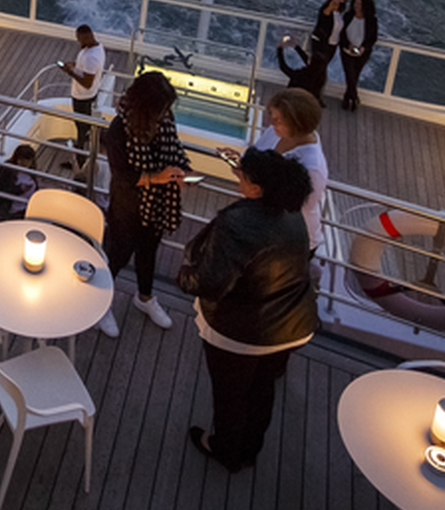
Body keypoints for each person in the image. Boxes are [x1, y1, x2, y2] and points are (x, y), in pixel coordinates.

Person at [177, 147, 318, 471]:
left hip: (243, 331)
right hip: (292, 323)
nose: (238, 176)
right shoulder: (291, 211)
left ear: (256, 189)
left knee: (231, 394)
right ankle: (250, 448)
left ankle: (226, 450)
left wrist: (184, 276)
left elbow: (209, 281)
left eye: (242, 175)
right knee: (262, 388)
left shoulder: (238, 225)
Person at [100, 70, 193, 336]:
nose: (165, 114)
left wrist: (181, 171)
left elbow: (173, 148)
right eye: (161, 108)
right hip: (127, 206)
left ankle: (144, 297)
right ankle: (101, 303)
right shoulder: (119, 131)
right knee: (117, 255)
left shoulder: (164, 118)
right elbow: (123, 176)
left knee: (148, 252)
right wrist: (158, 177)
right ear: (146, 108)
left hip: (157, 204)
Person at [222, 87, 328, 254]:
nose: (271, 123)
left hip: (292, 243)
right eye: (272, 116)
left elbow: (293, 210)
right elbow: (259, 162)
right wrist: (243, 166)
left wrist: (251, 185)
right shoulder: (276, 132)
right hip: (264, 230)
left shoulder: (312, 168)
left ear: (297, 123)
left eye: (278, 120)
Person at [55, 24, 107, 140]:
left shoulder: (91, 58)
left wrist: (69, 72)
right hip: (89, 95)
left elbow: (87, 84)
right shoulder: (97, 47)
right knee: (84, 125)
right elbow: (87, 68)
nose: (79, 43)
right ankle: (84, 145)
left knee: (82, 127)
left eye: (81, 40)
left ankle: (81, 153)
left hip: (83, 97)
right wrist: (75, 64)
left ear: (88, 38)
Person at [337, 0, 378, 111]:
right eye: (355, 3)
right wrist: (348, 44)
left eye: (359, 4)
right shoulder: (348, 16)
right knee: (349, 73)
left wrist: (363, 47)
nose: (356, 5)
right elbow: (342, 32)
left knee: (355, 75)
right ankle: (353, 98)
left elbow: (373, 37)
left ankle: (348, 96)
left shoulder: (371, 20)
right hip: (346, 50)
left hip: (362, 52)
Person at [307, 0, 348, 90]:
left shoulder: (340, 14)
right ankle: (312, 90)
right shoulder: (326, 9)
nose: (338, 1)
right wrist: (331, 5)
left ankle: (315, 91)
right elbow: (325, 15)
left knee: (322, 68)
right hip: (321, 43)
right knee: (318, 69)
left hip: (332, 44)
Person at [0, 144, 39, 214]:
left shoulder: (32, 171)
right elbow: (3, 188)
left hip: (27, 206)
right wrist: (20, 189)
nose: (25, 162)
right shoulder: (8, 169)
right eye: (22, 159)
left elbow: (36, 186)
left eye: (28, 160)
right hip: (11, 207)